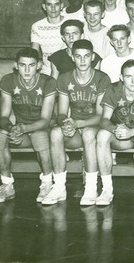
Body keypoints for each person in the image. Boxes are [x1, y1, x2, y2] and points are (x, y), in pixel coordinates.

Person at [42, 40, 111, 206]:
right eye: (78, 56)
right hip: (75, 126)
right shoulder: (65, 78)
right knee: (55, 132)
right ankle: (59, 187)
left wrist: (76, 124)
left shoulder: (102, 78)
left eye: (86, 56)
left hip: (93, 126)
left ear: (92, 57)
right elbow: (62, 112)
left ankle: (91, 187)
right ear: (73, 58)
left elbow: (102, 116)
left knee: (88, 132)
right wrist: (65, 123)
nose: (82, 61)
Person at [0, 48, 56, 204]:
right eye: (22, 65)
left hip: (44, 130)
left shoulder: (48, 82)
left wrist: (22, 129)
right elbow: (4, 117)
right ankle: (7, 185)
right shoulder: (8, 80)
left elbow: (45, 120)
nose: (26, 70)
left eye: (31, 65)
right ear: (15, 65)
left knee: (39, 135)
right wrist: (12, 129)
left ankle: (47, 183)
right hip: (23, 130)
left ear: (39, 65)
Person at [95, 60, 134, 206]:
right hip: (122, 135)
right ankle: (107, 188)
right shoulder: (113, 89)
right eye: (129, 76)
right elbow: (104, 120)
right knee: (102, 135)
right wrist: (115, 130)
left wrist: (133, 131)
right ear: (121, 77)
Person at [31, 0, 65, 75]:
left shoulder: (70, 23)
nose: (53, 8)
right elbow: (34, 52)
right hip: (46, 73)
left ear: (61, 6)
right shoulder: (37, 26)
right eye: (49, 5)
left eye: (56, 4)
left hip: (67, 72)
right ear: (44, 7)